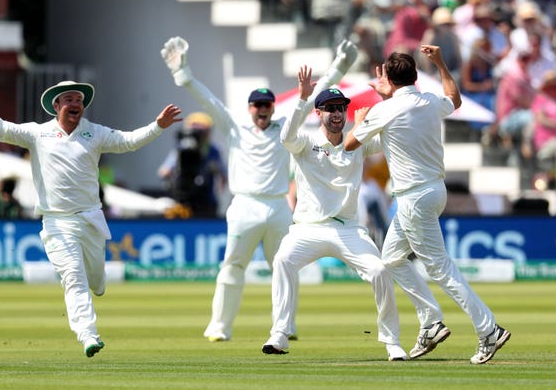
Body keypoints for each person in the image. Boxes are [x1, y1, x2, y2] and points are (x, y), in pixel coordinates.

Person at [0, 77, 182, 357]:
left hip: (90, 218)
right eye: (70, 99)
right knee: (73, 276)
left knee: (96, 280)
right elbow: (2, 130)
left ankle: (97, 285)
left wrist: (157, 125)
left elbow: (128, 142)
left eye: (79, 100)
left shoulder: (94, 132)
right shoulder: (38, 133)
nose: (76, 104)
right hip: (56, 221)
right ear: (56, 105)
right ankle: (88, 334)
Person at [161, 35, 358, 342]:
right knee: (233, 265)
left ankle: (286, 327)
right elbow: (209, 101)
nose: (263, 110)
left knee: (285, 266)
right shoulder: (234, 127)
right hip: (244, 206)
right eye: (258, 105)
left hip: (279, 206)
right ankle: (219, 327)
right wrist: (184, 75)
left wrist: (339, 67)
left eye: (267, 105)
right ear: (250, 107)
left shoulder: (283, 127)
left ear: (272, 107)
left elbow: (315, 96)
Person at [344, 45, 511, 364]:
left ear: (389, 81)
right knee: (391, 258)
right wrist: (441, 62)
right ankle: (431, 322)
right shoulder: (430, 101)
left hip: (413, 197)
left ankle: (488, 330)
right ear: (416, 76)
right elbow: (455, 99)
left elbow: (351, 143)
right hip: (434, 191)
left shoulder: (386, 109)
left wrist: (364, 116)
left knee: (441, 268)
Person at [261, 67, 407, 361]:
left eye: (341, 108)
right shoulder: (307, 142)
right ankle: (279, 334)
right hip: (307, 229)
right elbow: (286, 136)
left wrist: (387, 101)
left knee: (379, 271)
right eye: (330, 109)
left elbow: (393, 136)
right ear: (319, 113)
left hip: (348, 229)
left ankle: (392, 341)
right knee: (283, 260)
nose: (337, 114)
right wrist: (302, 99)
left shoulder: (357, 142)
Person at [157, 111, 226, 218]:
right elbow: (163, 171)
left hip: (206, 201)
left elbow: (223, 175)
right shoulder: (180, 150)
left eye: (203, 132)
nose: (200, 135)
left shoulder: (214, 151)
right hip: (183, 200)